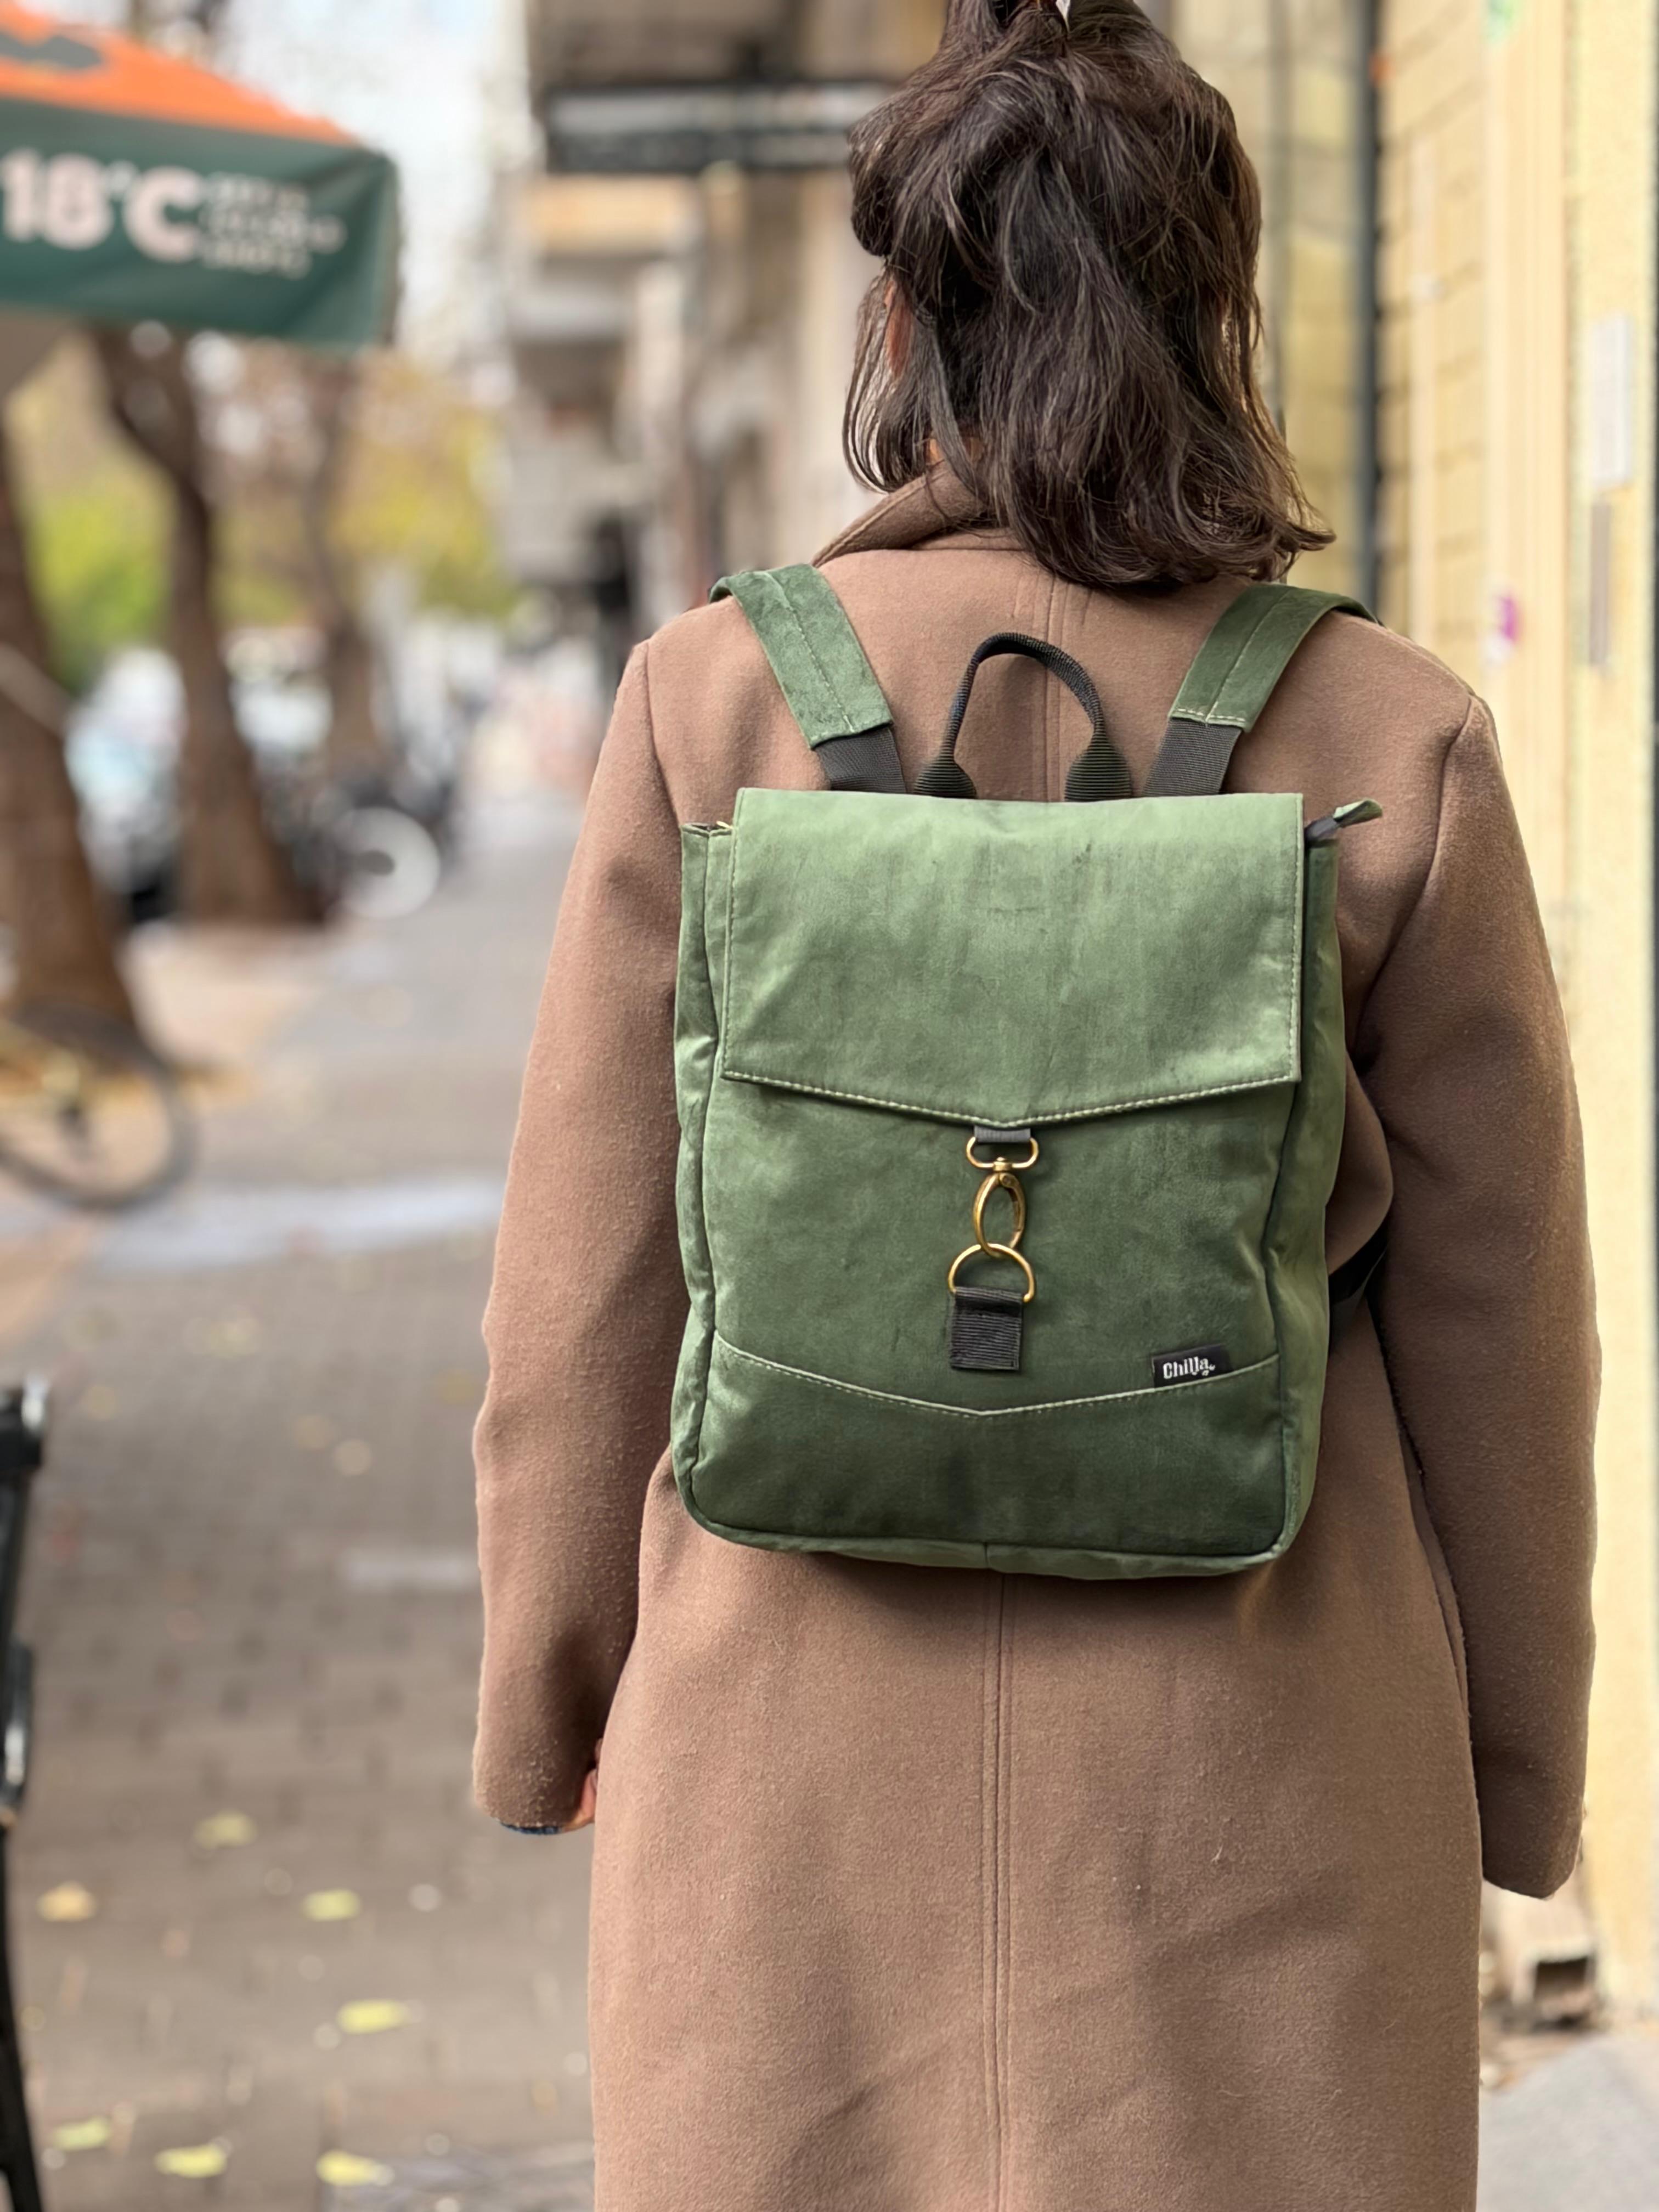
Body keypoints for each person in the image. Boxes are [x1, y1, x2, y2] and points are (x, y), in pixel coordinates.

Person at [472, 3, 1598, 2207]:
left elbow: (589, 1281)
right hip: (1266, 1743)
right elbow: (1504, 1338)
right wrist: (1511, 1773)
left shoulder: (714, 701)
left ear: (906, 321)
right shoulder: (1393, 729)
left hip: (788, 1739)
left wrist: (553, 1699)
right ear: (1212, 316)